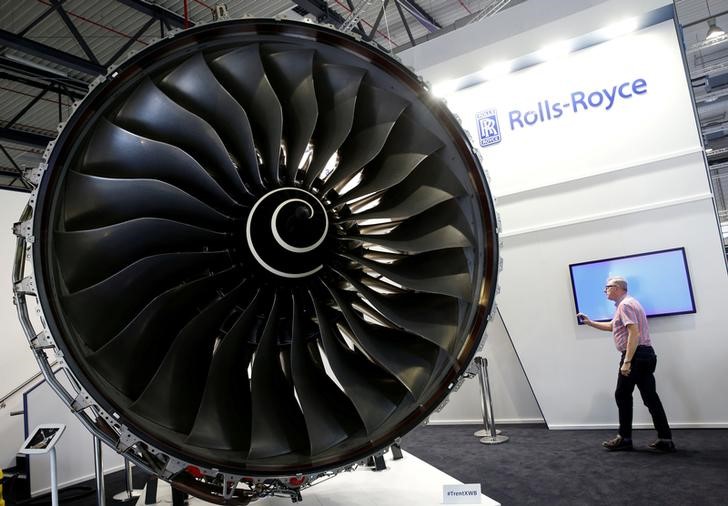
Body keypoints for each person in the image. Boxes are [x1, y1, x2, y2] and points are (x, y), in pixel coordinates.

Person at [577, 276, 675, 452]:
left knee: (622, 395)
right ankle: (665, 439)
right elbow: (614, 327)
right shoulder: (628, 304)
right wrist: (590, 322)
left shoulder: (625, 305)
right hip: (645, 355)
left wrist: (627, 361)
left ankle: (624, 438)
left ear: (617, 287)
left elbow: (634, 333)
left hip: (636, 356)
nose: (605, 291)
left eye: (607, 287)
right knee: (651, 398)